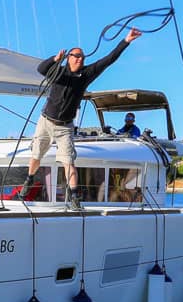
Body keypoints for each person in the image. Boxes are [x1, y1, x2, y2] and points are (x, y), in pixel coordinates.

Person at [18, 27, 142, 209]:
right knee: (36, 155)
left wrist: (126, 41)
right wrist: (55, 59)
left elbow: (109, 60)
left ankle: (75, 199)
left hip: (65, 127)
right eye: (76, 56)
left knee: (69, 162)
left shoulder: (86, 75)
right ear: (69, 58)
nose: (80, 59)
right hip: (45, 121)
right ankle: (29, 180)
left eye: (82, 57)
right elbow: (41, 68)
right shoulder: (58, 72)